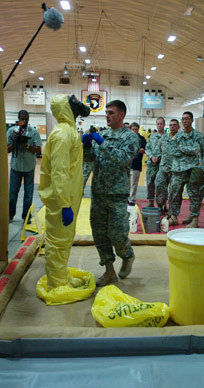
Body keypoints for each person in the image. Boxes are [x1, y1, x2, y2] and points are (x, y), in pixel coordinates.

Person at [83, 100, 139, 286]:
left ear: (121, 115)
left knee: (117, 233)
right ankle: (109, 271)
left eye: (111, 112)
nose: (107, 115)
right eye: (106, 112)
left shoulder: (130, 137)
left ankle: (127, 255)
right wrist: (86, 146)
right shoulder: (102, 134)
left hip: (117, 193)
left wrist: (102, 144)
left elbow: (123, 159)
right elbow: (91, 159)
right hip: (98, 191)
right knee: (99, 234)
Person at [38, 94, 90, 289]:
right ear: (65, 108)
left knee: (64, 239)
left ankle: (60, 275)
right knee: (58, 241)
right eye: (73, 102)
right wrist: (64, 204)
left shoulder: (69, 131)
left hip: (68, 196)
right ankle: (57, 283)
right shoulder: (62, 134)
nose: (78, 105)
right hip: (62, 200)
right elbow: (59, 173)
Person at [169, 111, 204, 228]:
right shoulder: (178, 135)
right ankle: (174, 216)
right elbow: (173, 151)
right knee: (175, 193)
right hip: (178, 170)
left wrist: (182, 149)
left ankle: (194, 218)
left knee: (194, 194)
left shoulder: (198, 136)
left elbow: (198, 151)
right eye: (183, 119)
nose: (184, 121)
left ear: (192, 120)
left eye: (187, 119)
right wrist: (189, 150)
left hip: (192, 170)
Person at [7, 110, 42, 222]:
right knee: (12, 193)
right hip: (15, 167)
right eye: (22, 118)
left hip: (29, 167)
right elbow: (6, 149)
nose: (24, 121)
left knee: (29, 194)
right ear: (18, 118)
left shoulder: (34, 132)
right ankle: (10, 215)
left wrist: (26, 145)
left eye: (26, 119)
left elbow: (38, 150)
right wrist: (14, 141)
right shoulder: (11, 131)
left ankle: (26, 216)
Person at [155, 119, 179, 217]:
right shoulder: (164, 138)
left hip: (175, 169)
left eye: (174, 125)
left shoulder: (181, 138)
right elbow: (159, 150)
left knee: (174, 191)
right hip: (163, 167)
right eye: (170, 125)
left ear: (178, 127)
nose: (172, 127)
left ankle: (172, 211)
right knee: (159, 186)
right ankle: (161, 206)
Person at [145, 117, 166, 208]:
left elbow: (168, 151)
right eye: (158, 124)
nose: (159, 125)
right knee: (150, 183)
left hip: (162, 165)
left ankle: (161, 204)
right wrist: (151, 157)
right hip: (152, 165)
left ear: (164, 125)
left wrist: (159, 157)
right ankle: (150, 201)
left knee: (161, 185)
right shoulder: (152, 136)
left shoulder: (167, 137)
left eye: (161, 123)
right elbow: (147, 148)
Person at [128, 123, 147, 205]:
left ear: (138, 129)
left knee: (134, 183)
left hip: (137, 164)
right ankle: (126, 197)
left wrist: (134, 149)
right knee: (126, 182)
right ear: (130, 129)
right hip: (127, 164)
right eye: (133, 129)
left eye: (136, 129)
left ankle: (132, 199)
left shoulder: (142, 139)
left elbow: (143, 150)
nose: (134, 131)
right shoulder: (127, 138)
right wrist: (137, 150)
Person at [82, 126, 98, 193]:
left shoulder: (87, 138)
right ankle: (96, 191)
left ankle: (80, 190)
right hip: (94, 161)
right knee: (96, 177)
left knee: (84, 176)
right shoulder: (96, 138)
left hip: (88, 160)